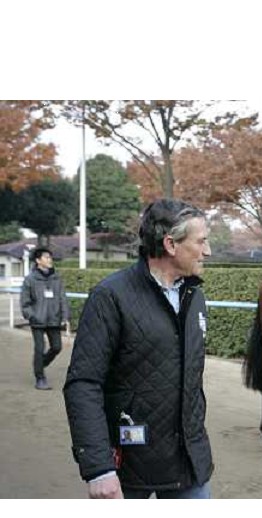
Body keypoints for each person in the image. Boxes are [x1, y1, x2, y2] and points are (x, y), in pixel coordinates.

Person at [63, 199, 213, 499]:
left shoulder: (194, 296)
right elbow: (83, 383)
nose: (207, 251)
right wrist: (99, 468)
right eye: (201, 241)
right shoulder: (110, 296)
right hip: (127, 467)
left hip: (188, 464)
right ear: (171, 244)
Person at [20, 247, 70, 390]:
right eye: (46, 257)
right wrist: (32, 315)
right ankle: (40, 378)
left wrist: (65, 316)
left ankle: (40, 364)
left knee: (56, 347)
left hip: (54, 319)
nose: (50, 260)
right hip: (38, 321)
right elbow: (25, 302)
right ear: (38, 260)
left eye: (50, 257)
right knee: (39, 348)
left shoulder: (56, 278)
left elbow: (62, 298)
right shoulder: (30, 279)